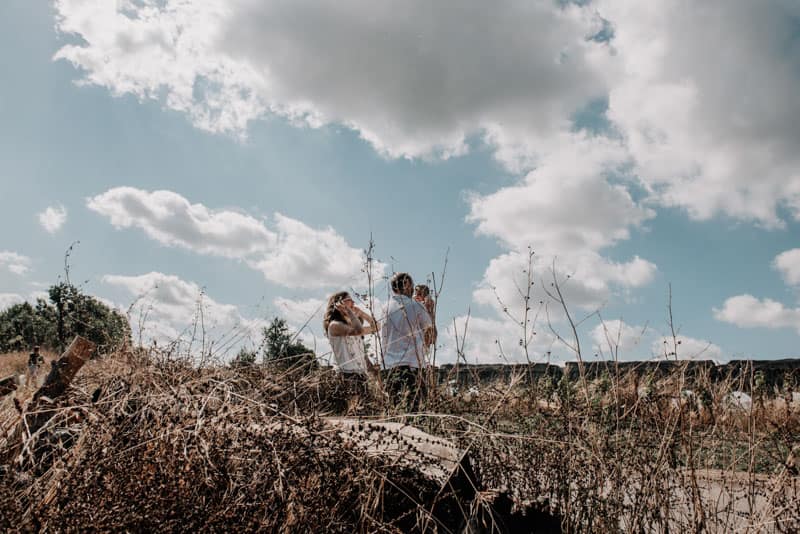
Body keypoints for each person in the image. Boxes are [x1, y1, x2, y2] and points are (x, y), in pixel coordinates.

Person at [381, 273, 434, 411]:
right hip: (412, 366)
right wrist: (429, 310)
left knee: (394, 410)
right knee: (416, 411)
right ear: (406, 285)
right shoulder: (416, 306)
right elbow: (431, 336)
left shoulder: (385, 307)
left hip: (389, 367)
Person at [323, 291, 378, 376]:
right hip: (345, 374)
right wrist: (349, 311)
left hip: (360, 374)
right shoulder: (335, 325)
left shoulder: (351, 325)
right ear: (339, 304)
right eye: (349, 300)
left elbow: (377, 327)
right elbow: (359, 331)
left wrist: (362, 314)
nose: (353, 302)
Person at [413, 284, 437, 351]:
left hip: (426, 335)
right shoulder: (415, 304)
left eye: (419, 294)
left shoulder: (428, 302)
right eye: (415, 293)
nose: (416, 296)